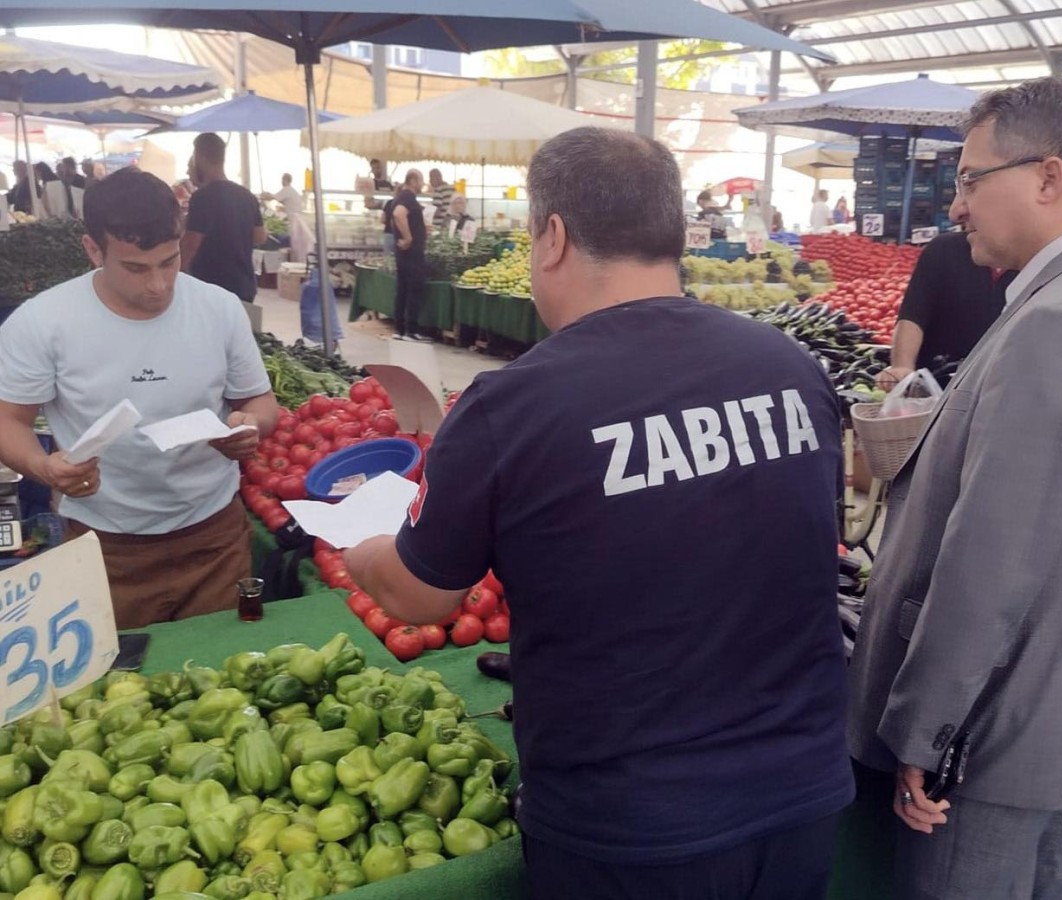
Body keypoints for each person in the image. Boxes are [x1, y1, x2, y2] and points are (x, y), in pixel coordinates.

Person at [344, 127, 853, 899]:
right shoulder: (791, 368)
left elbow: (421, 597)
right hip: (800, 794)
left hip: (631, 827)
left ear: (551, 237)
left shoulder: (510, 406)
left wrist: (356, 543)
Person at [847, 77, 1062, 900]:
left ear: (1046, 176)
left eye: (970, 180)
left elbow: (992, 564)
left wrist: (927, 734)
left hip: (998, 730)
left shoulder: (1058, 324)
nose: (957, 206)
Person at [0, 167, 279, 629]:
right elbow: (9, 420)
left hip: (215, 538)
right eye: (135, 267)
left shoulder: (219, 309)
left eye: (169, 262)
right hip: (105, 545)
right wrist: (46, 467)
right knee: (116, 691)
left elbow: (262, 402)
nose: (158, 284)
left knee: (224, 679)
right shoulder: (43, 322)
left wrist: (249, 426)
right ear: (93, 250)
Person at [875, 231, 1015, 390]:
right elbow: (913, 314)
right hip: (934, 382)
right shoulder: (944, 249)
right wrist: (902, 366)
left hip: (1000, 385)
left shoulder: (1033, 260)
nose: (957, 212)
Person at [182, 133, 267, 303]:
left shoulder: (202, 198)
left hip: (211, 289)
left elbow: (190, 246)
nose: (189, 169)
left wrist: (173, 274)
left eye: (192, 161)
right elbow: (260, 237)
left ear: (200, 158)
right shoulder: (246, 195)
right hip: (244, 287)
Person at [390, 169, 431, 342]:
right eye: (421, 181)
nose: (422, 185)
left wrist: (421, 228)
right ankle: (411, 330)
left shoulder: (402, 197)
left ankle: (400, 329)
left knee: (403, 289)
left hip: (404, 255)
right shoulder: (407, 197)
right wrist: (408, 237)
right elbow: (399, 214)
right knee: (414, 288)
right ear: (413, 181)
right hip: (412, 254)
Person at [260, 173, 314, 262]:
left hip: (294, 223)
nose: (281, 182)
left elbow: (273, 197)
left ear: (285, 180)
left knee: (296, 246)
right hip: (294, 222)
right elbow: (275, 204)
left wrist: (263, 196)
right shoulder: (292, 192)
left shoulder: (287, 190)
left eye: (282, 180)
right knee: (296, 246)